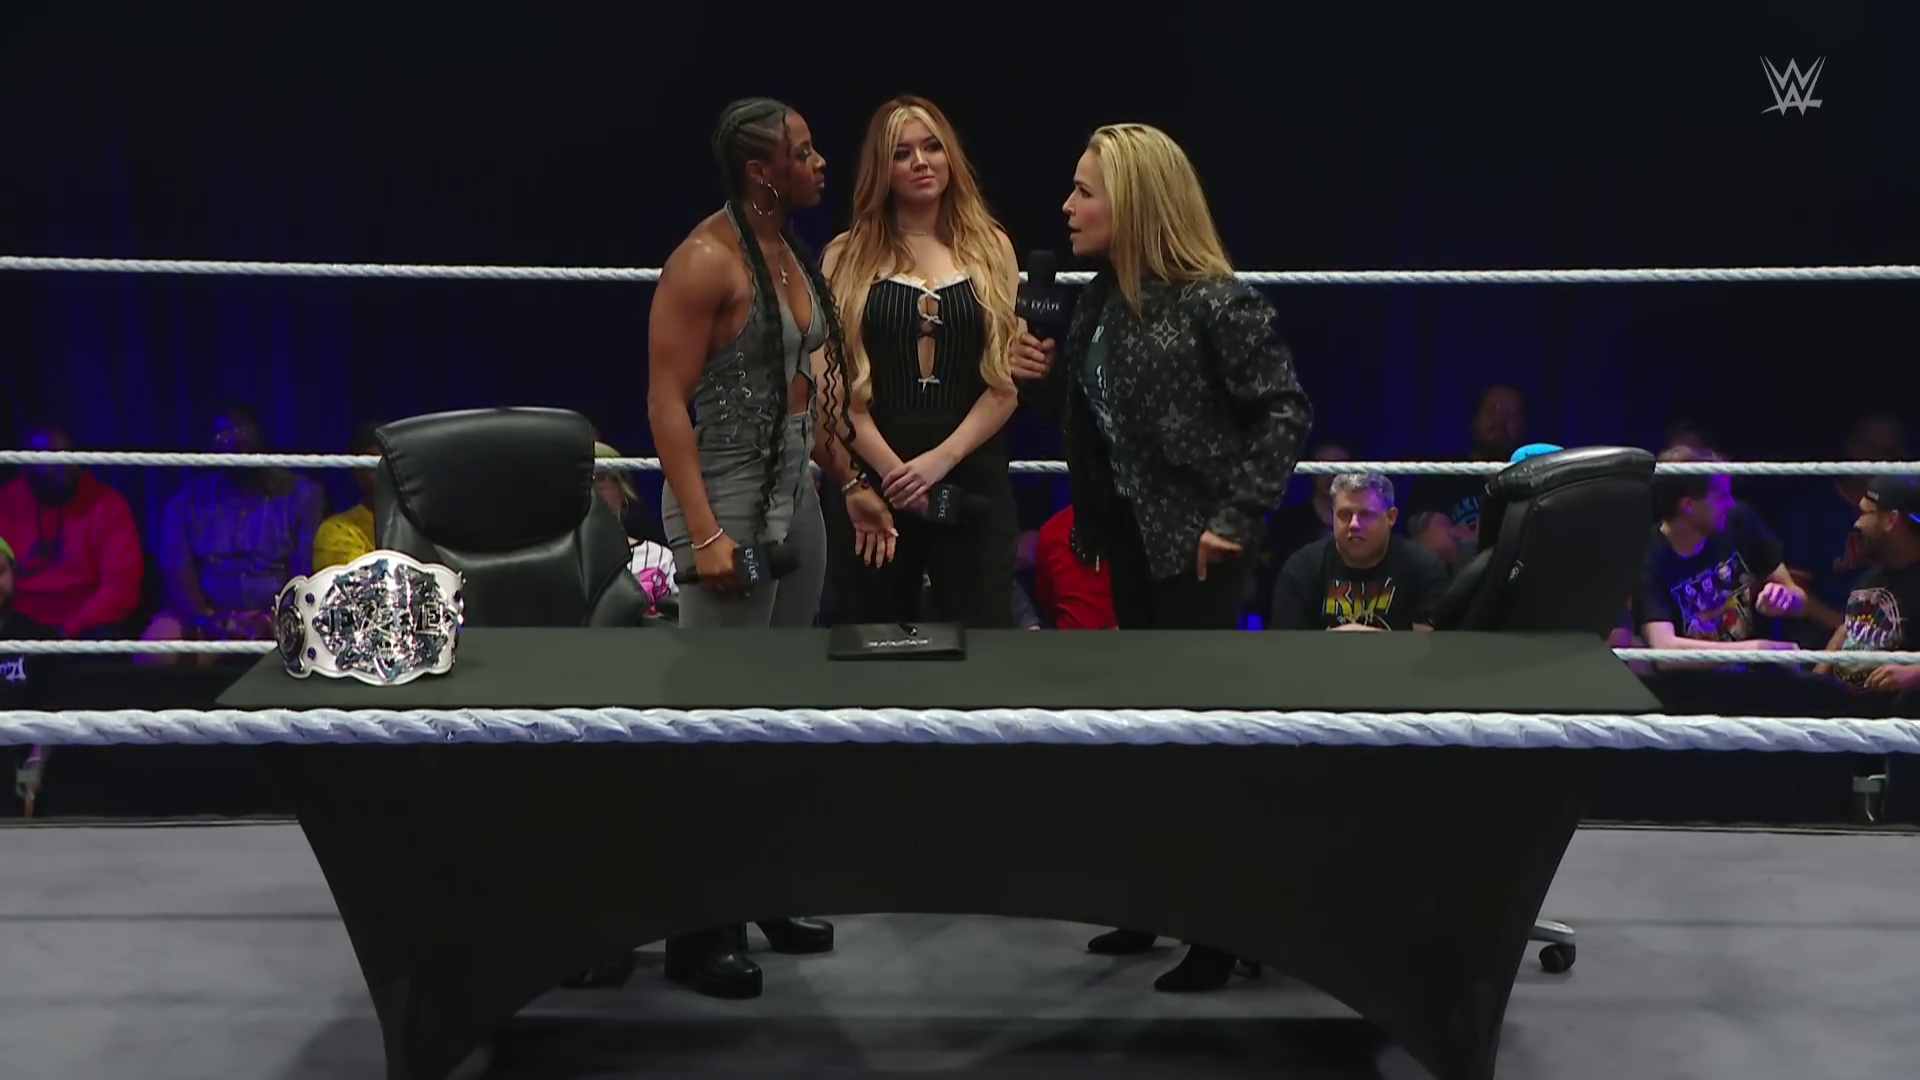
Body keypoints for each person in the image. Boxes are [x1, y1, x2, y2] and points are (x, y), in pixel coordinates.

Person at [1012, 123, 1314, 992]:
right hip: (1131, 545)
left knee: (1201, 744)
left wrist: (1237, 517)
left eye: (1084, 192)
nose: (1067, 207)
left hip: (1200, 551)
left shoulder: (1215, 302)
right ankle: (1153, 905)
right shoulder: (1104, 301)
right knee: (1147, 736)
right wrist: (1040, 378)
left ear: (1135, 202)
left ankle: (1222, 931)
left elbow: (1285, 411)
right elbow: (1090, 421)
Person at [643, 96, 897, 1001]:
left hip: (797, 488)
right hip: (726, 496)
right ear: (763, 170)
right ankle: (697, 927)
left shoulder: (789, 252)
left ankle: (763, 893)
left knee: (780, 711)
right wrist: (706, 532)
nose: (822, 162)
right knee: (717, 721)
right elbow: (666, 402)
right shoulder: (704, 261)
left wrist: (849, 478)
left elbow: (807, 389)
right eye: (804, 151)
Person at [820, 95, 1021, 627]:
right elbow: (833, 387)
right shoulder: (845, 256)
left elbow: (1006, 381)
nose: (921, 162)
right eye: (902, 153)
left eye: (932, 147)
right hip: (874, 482)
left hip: (970, 472)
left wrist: (939, 462)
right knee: (870, 638)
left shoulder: (991, 248)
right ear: (881, 169)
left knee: (984, 639)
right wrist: (896, 476)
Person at [142, 404, 325, 666]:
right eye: (225, 435)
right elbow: (176, 570)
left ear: (261, 435)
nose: (237, 441)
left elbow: (305, 567)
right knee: (155, 650)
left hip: (279, 613)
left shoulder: (303, 495)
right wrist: (204, 619)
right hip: (207, 615)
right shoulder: (186, 501)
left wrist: (274, 616)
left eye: (243, 431)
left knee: (305, 637)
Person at [1632, 446, 1807, 664]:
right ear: (1688, 505)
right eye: (1722, 497)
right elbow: (1665, 651)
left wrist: (1785, 599)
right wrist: (1756, 650)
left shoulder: (1739, 520)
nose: (1730, 504)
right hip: (1695, 682)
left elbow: (1801, 602)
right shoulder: (1648, 557)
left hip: (1757, 675)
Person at [0, 421, 145, 637]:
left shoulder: (108, 505)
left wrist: (68, 630)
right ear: (26, 465)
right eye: (51, 458)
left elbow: (121, 587)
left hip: (87, 627)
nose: (64, 466)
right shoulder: (6, 502)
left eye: (69, 454)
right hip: (16, 622)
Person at [1268, 473, 1450, 632]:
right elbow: (1288, 647)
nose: (1354, 524)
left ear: (1391, 517)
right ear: (1332, 515)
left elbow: (1432, 648)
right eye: (1344, 514)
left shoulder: (1423, 568)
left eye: (1366, 515)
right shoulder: (1302, 568)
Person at [1814, 475, 1920, 699]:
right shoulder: (1869, 579)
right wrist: (1812, 684)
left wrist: (1914, 673)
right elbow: (1847, 629)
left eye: (1864, 514)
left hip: (1891, 715)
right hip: (1839, 708)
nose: (1857, 524)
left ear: (1890, 520)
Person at [312, 424, 380, 572]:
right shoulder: (337, 531)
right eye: (374, 466)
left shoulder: (423, 525)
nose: (385, 473)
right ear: (358, 474)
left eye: (392, 463)